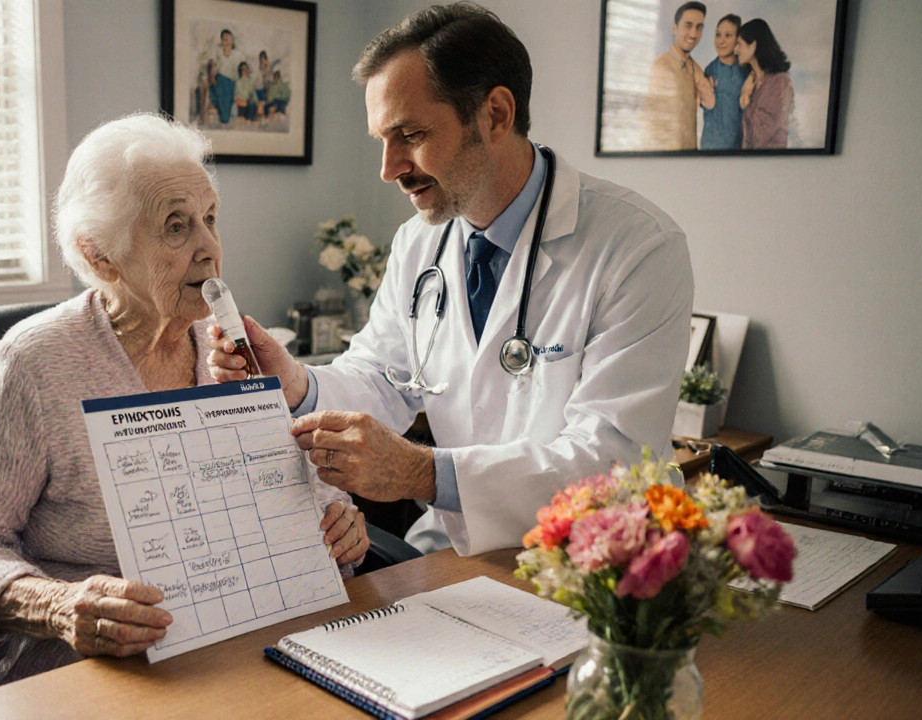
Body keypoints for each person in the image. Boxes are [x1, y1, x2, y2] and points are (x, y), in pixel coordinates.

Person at [208, 3, 693, 556]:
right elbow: (383, 377)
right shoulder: (420, 243)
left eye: (410, 134)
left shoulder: (637, 246)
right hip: (452, 556)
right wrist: (296, 382)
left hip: (585, 565)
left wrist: (423, 474)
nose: (389, 169)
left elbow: (610, 459)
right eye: (381, 141)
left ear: (495, 115)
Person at [0, 113, 368, 686]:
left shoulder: (236, 351)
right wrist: (57, 605)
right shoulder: (37, 361)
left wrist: (341, 528)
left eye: (210, 218)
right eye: (176, 227)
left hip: (245, 636)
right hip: (94, 663)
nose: (209, 249)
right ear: (100, 255)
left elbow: (318, 502)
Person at [641, 2, 713, 150]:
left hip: (689, 159)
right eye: (688, 25)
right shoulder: (662, 67)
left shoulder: (694, 68)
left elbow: (710, 102)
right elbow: (654, 124)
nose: (693, 34)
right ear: (674, 28)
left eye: (699, 27)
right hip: (666, 160)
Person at [736, 18, 793, 149]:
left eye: (739, 44)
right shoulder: (754, 82)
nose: (735, 50)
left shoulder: (779, 82)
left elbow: (759, 136)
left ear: (753, 45)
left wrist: (745, 99)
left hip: (773, 165)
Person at [700, 13, 749, 150]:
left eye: (727, 35)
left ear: (738, 40)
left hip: (738, 149)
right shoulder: (710, 70)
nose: (721, 41)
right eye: (718, 34)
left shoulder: (746, 72)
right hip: (711, 147)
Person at [208, 29, 244, 125]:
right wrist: (212, 76)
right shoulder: (218, 52)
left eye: (228, 39)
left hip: (233, 82)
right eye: (224, 39)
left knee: (227, 92)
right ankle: (224, 117)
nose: (226, 41)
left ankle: (225, 117)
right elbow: (213, 66)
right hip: (220, 80)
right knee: (219, 87)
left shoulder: (238, 55)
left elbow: (243, 70)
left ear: (232, 40)